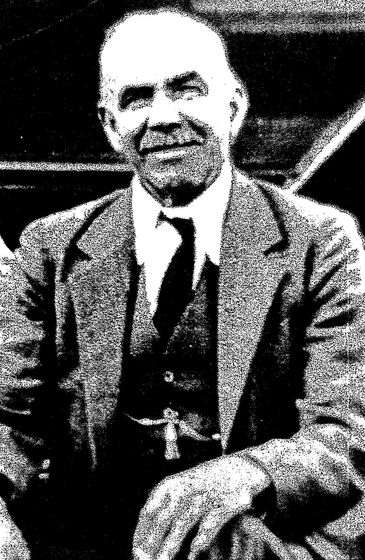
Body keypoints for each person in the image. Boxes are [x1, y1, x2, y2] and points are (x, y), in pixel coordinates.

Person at [0, 8, 365, 560]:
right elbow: (9, 419)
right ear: (109, 124)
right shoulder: (50, 249)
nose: (163, 117)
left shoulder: (321, 241)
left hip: (255, 544)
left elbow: (348, 427)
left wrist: (248, 473)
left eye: (187, 90)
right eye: (136, 99)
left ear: (234, 106)